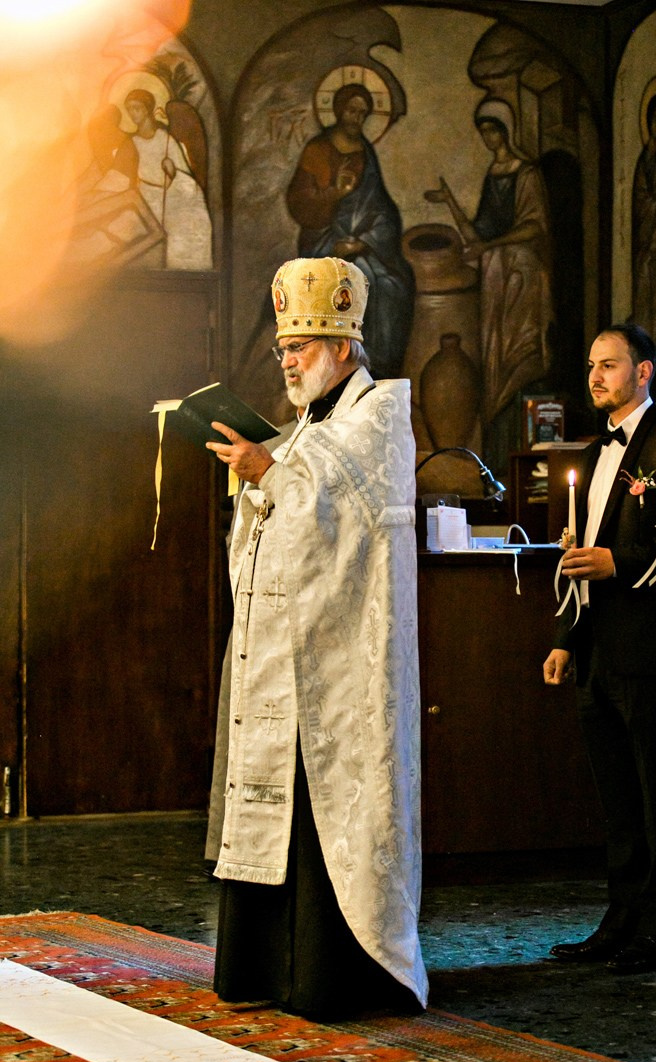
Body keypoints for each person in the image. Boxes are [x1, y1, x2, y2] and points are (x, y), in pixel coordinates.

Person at [205, 256, 428, 1020]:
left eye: (299, 347)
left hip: (341, 672)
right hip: (287, 662)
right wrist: (261, 480)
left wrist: (269, 471)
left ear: (340, 344)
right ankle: (265, 967)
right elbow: (283, 512)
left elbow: (340, 522)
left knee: (326, 812)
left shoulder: (378, 417)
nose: (289, 361)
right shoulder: (305, 428)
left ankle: (336, 973)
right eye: (283, 350)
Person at [543, 323, 656, 974]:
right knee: (616, 800)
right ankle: (618, 919)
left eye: (609, 366)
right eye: (591, 366)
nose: (595, 377)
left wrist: (620, 562)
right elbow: (586, 553)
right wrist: (564, 639)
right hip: (598, 649)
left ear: (644, 373)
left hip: (652, 646)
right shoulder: (592, 451)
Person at [424, 98, 553, 470]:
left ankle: (518, 452)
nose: (488, 138)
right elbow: (477, 232)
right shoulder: (493, 174)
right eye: (483, 132)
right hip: (496, 275)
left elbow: (534, 224)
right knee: (495, 357)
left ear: (506, 130)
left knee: (519, 354)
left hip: (521, 275)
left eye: (493, 129)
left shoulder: (526, 173)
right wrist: (449, 200)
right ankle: (494, 457)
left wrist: (490, 246)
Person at [285, 83, 414, 379]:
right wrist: (334, 194)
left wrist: (365, 240)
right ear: (339, 110)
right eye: (352, 111)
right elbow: (300, 205)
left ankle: (378, 371)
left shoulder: (365, 152)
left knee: (393, 283)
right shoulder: (318, 149)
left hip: (360, 243)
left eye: (363, 113)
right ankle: (341, 372)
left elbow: (381, 207)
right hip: (324, 240)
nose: (357, 118)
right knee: (358, 282)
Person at [124, 88, 212, 269]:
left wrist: (172, 170)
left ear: (147, 109)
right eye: (129, 109)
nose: (133, 114)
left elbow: (185, 175)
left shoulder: (165, 140)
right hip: (142, 196)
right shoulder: (131, 143)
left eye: (137, 108)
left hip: (169, 194)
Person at [631, 92, 656, 345]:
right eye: (653, 120)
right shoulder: (644, 160)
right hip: (645, 245)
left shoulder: (655, 158)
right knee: (646, 296)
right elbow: (641, 200)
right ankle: (647, 342)